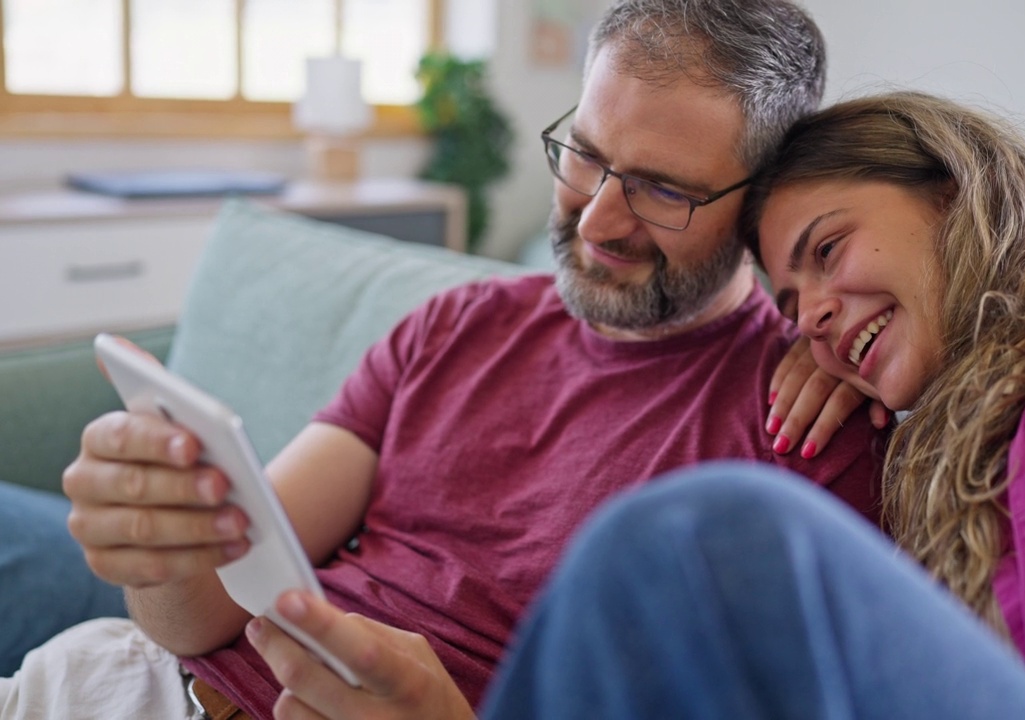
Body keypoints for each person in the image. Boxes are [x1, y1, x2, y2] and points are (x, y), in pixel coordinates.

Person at [0, 1, 887, 718]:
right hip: (136, 688)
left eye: (664, 189)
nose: (596, 220)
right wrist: (160, 556)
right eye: (585, 153)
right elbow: (203, 619)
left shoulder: (811, 426)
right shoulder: (455, 325)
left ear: (762, 199)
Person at [458, 91, 1025, 718]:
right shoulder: (956, 458)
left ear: (952, 191)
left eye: (827, 249)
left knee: (703, 534)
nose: (810, 314)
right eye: (788, 306)